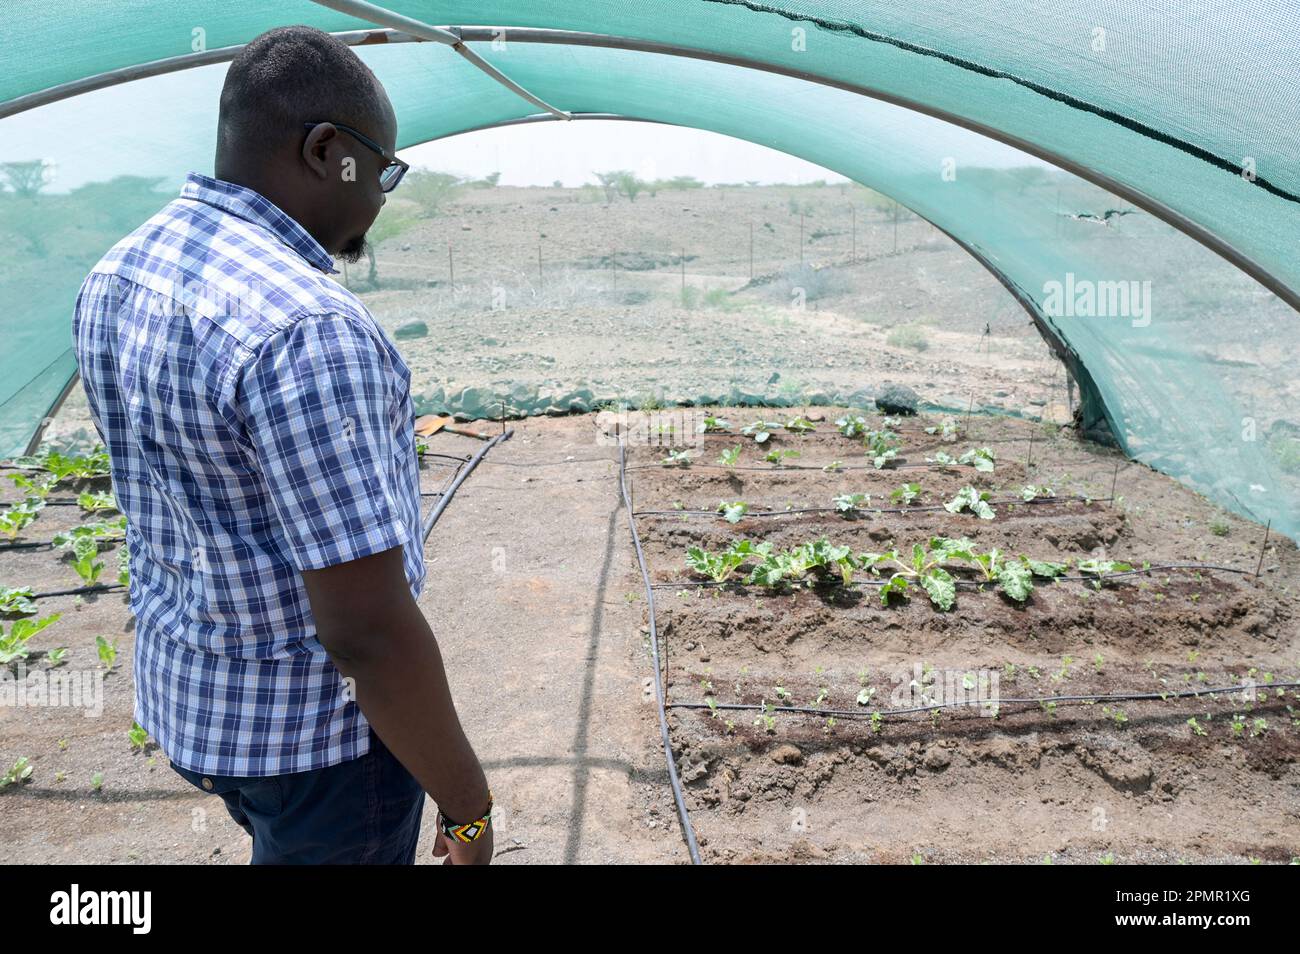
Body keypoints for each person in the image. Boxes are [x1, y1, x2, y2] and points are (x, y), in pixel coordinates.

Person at [72, 25, 491, 864]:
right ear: (326, 150)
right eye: (384, 168)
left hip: (198, 709)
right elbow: (364, 632)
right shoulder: (308, 327)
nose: (381, 194)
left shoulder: (123, 269)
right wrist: (469, 807)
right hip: (318, 747)